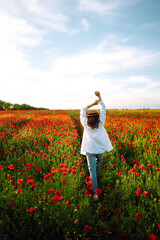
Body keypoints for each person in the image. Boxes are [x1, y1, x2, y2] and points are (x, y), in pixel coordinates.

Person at [80, 91, 113, 201]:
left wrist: (92, 104)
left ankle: (95, 193)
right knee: (96, 168)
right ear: (98, 117)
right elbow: (104, 109)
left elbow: (82, 110)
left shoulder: (85, 124)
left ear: (88, 117)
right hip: (100, 150)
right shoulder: (101, 122)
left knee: (92, 171)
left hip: (90, 150)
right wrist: (100, 98)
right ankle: (94, 180)